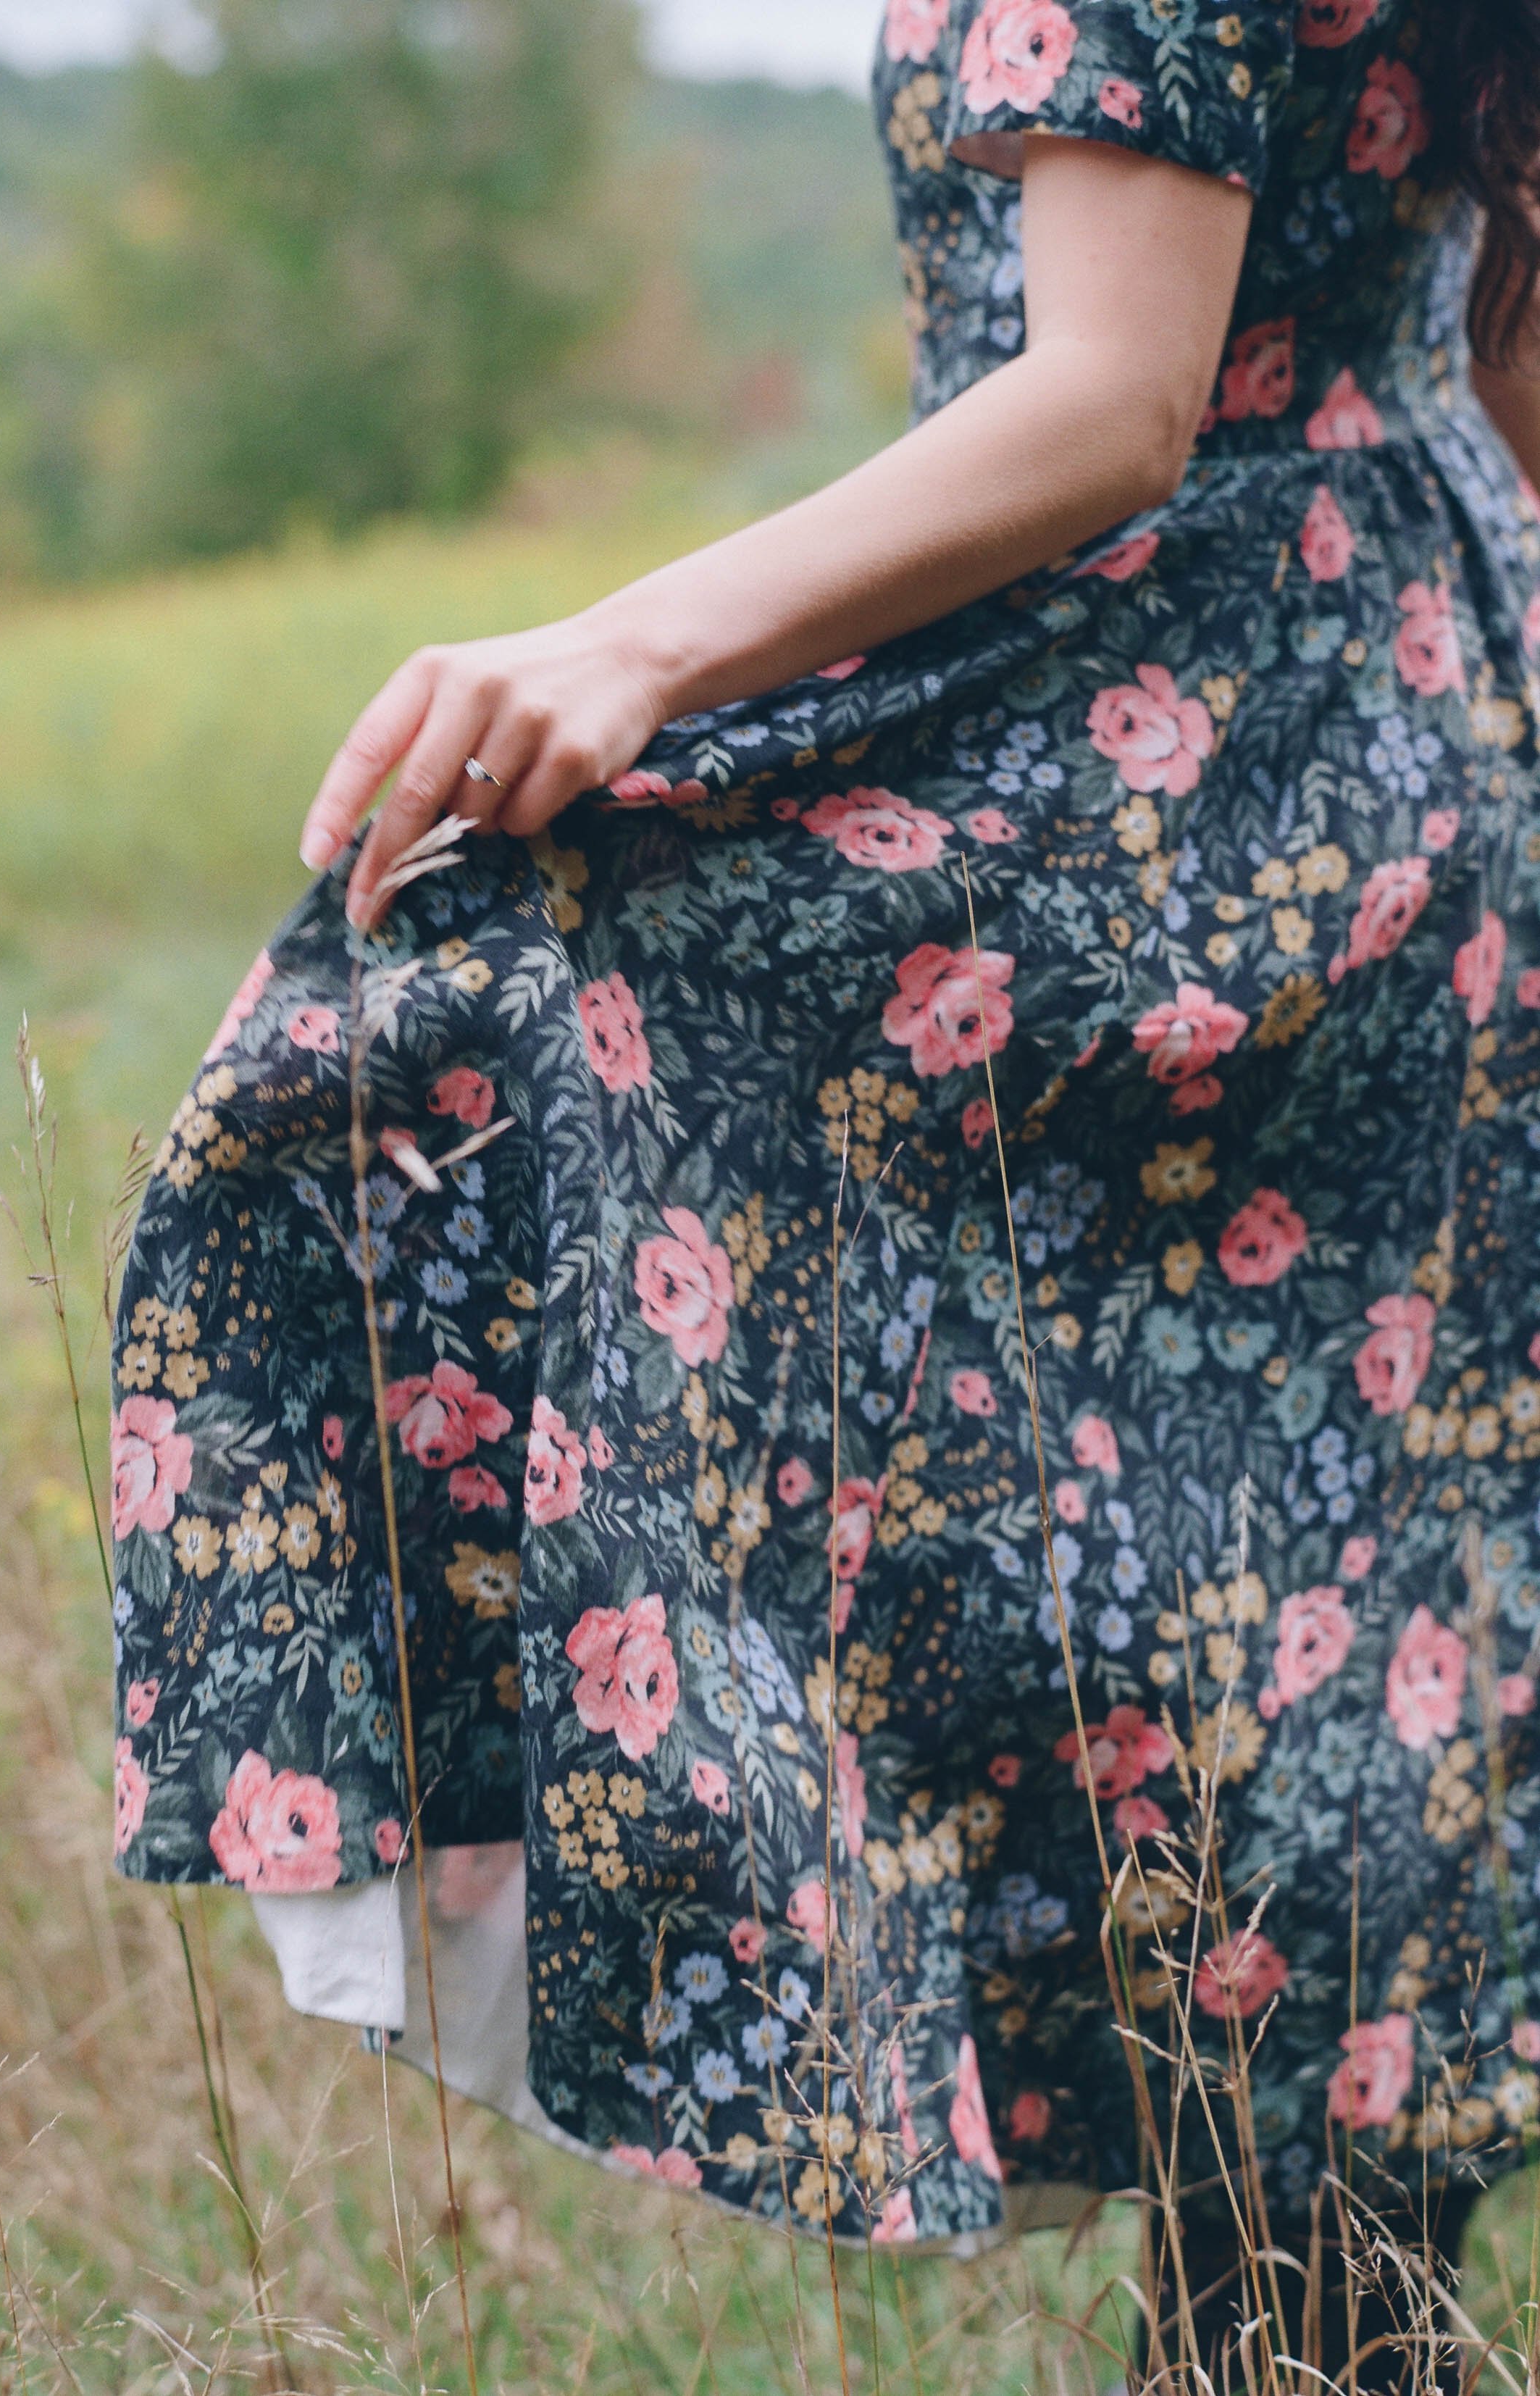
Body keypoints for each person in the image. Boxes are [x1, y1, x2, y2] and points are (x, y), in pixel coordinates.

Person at [109, 0, 1540, 2376]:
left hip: (1193, 749)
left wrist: (628, 641)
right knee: (1326, 1616)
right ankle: (1326, 2327)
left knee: (437, 999)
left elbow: (1113, 393)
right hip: (1428, 722)